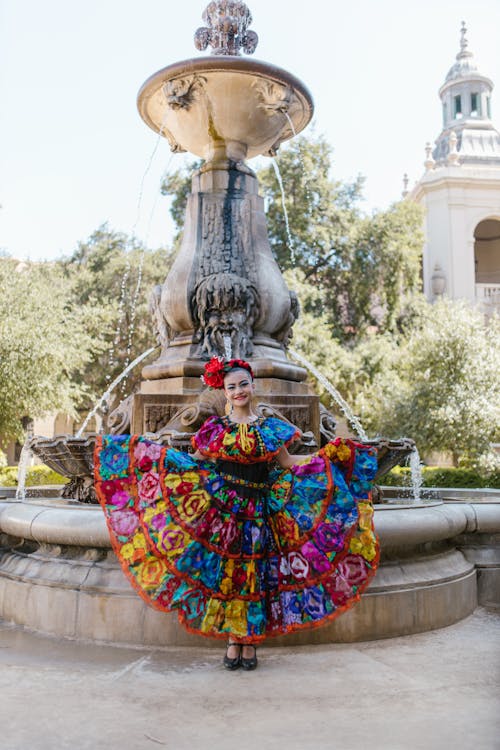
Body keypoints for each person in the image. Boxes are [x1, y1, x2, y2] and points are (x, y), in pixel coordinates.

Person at [94, 357, 379, 671]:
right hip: (225, 511)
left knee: (254, 576)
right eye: (232, 386)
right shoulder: (215, 428)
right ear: (224, 392)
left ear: (252, 385)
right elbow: (196, 459)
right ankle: (234, 639)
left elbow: (286, 463)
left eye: (244, 384)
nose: (239, 390)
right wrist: (154, 455)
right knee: (230, 577)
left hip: (260, 510)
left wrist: (326, 455)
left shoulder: (269, 428)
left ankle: (250, 640)